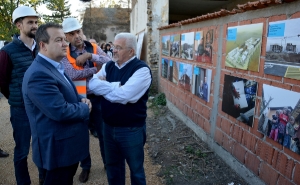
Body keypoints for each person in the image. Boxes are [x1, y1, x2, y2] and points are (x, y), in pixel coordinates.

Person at [22, 22, 91, 185]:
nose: (65, 43)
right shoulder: (39, 74)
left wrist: (80, 99)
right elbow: (60, 111)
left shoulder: (55, 66)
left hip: (66, 148)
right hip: (58, 152)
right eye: (59, 40)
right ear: (43, 45)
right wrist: (84, 107)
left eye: (64, 39)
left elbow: (65, 96)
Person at [89, 32, 152, 185]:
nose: (113, 50)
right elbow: (91, 85)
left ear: (131, 51)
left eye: (118, 47)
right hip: (108, 128)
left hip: (131, 130)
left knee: (136, 171)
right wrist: (116, 86)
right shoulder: (109, 65)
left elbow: (125, 96)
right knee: (113, 169)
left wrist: (104, 88)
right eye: (114, 47)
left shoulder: (141, 70)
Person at [61, 17, 111, 183]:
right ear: (66, 37)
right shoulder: (64, 52)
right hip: (79, 100)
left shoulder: (94, 48)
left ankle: (108, 163)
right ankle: (86, 167)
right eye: (71, 33)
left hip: (97, 98)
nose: (76, 35)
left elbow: (110, 63)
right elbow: (72, 74)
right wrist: (94, 70)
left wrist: (92, 56)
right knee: (81, 135)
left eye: (78, 31)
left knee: (103, 133)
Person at [0, 6, 45, 185]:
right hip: (21, 110)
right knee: (22, 151)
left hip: (42, 107)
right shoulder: (7, 51)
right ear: (19, 25)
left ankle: (44, 178)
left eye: (36, 22)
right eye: (30, 22)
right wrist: (17, 98)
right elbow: (2, 81)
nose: (35, 26)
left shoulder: (42, 48)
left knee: (42, 146)